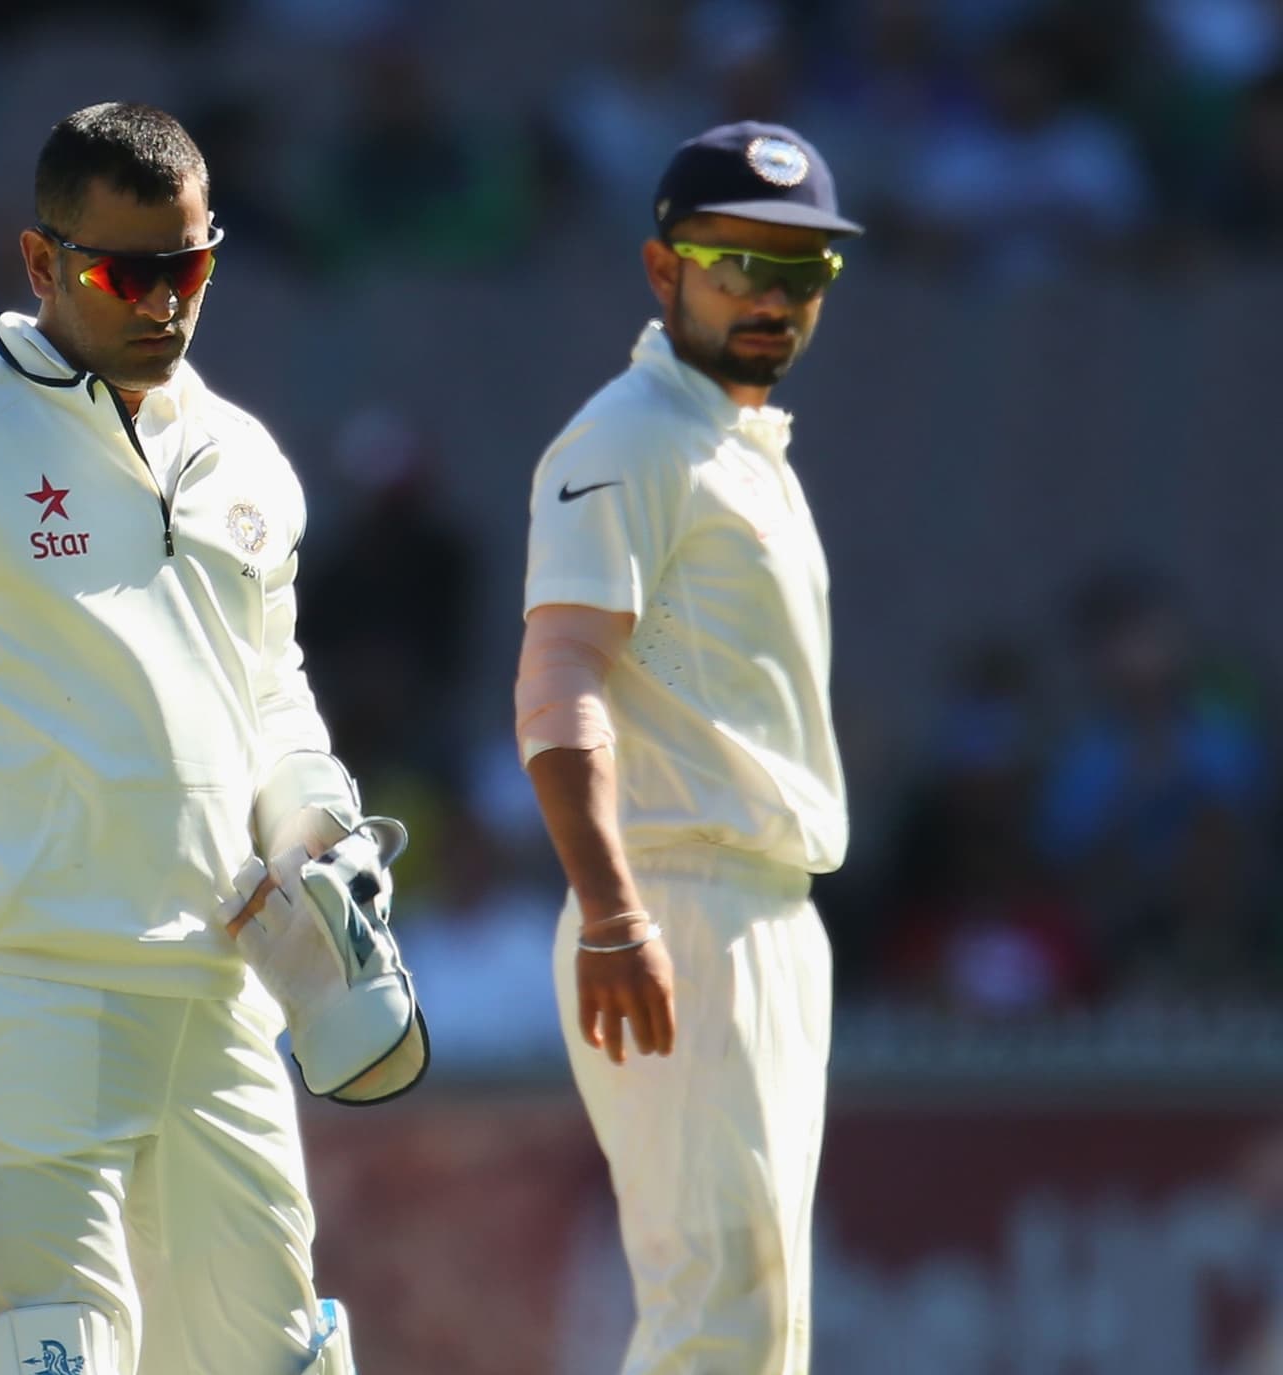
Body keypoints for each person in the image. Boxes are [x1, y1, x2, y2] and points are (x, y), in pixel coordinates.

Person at [0, 102, 413, 1375]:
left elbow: (271, 694)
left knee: (281, 1363)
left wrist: (318, 829)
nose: (164, 303)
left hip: (218, 1002)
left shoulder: (246, 459)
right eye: (125, 272)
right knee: (57, 1357)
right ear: (41, 264)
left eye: (190, 268)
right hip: (13, 992)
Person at [514, 121, 860, 1373]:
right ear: (663, 272)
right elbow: (556, 684)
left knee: (752, 1323)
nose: (769, 296)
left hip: (754, 910)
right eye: (735, 261)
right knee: (721, 1313)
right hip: (676, 909)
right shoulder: (631, 438)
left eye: (801, 270)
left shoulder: (738, 442)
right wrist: (614, 913)